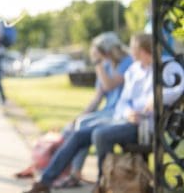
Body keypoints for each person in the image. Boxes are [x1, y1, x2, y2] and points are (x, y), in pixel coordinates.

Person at [24, 33, 183, 193]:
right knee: (79, 134)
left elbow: (179, 88)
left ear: (142, 50)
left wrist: (156, 100)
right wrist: (128, 113)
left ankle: (103, 185)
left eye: (133, 48)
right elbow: (123, 101)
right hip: (127, 120)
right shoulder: (134, 69)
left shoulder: (167, 66)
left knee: (100, 134)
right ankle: (46, 181)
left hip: (147, 126)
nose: (131, 51)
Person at [55, 32, 132, 187]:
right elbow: (97, 98)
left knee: (84, 126)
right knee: (76, 125)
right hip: (107, 111)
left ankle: (76, 174)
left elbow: (110, 85)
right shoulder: (104, 65)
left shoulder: (126, 63)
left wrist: (97, 63)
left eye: (99, 52)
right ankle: (70, 172)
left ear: (107, 50)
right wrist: (79, 116)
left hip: (119, 112)